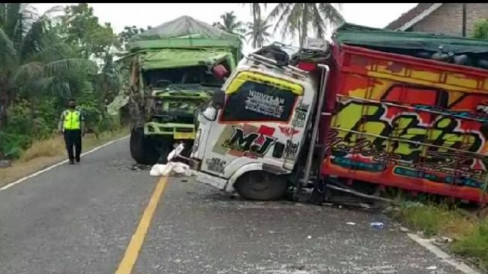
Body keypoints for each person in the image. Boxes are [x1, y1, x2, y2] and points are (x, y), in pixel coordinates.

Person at [58, 99, 85, 165]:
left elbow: (82, 121)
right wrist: (60, 128)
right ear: (68, 104)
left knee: (78, 145)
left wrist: (83, 130)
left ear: (75, 104)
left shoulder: (79, 112)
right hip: (67, 131)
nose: (72, 104)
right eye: (71, 103)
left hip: (76, 130)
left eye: (73, 103)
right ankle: (71, 159)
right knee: (69, 145)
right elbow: (61, 121)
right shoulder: (65, 112)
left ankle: (77, 156)